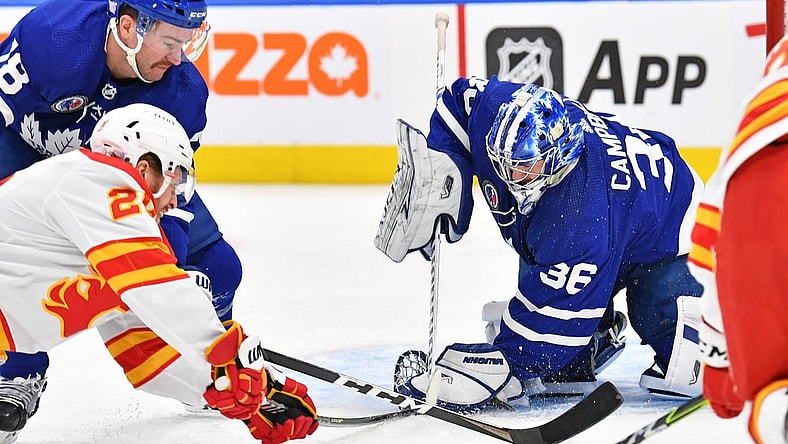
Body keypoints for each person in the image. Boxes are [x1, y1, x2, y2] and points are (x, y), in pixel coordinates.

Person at [374, 76, 705, 412]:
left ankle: (712, 339)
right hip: (621, 212)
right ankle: (584, 347)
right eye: (503, 162)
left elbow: (555, 322)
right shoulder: (498, 108)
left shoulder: (580, 215)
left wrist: (504, 363)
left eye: (522, 169)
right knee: (549, 250)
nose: (508, 176)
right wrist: (445, 165)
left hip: (675, 224)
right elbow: (461, 102)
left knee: (665, 327)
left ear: (558, 161)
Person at [0, 103, 319, 444]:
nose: (174, 201)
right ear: (144, 167)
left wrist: (247, 394)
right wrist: (228, 354)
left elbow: (146, 352)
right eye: (175, 180)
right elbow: (156, 286)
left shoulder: (103, 241)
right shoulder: (98, 181)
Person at [0, 0, 243, 419]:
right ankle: (16, 370)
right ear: (128, 28)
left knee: (221, 268)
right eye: (169, 41)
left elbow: (173, 190)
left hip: (128, 183)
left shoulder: (182, 92)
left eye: (186, 43)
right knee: (16, 270)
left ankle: (215, 368)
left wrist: (170, 266)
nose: (178, 58)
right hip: (30, 163)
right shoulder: (54, 41)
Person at [690, 36, 788, 444]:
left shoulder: (776, 66)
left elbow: (708, 243)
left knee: (772, 391)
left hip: (758, 188)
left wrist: (718, 359)